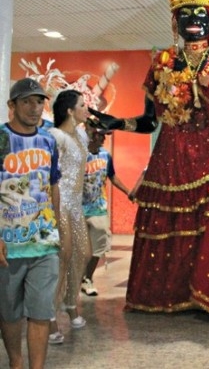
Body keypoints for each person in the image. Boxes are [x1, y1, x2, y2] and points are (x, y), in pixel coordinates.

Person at [88, 0, 209, 314]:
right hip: (174, 162)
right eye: (184, 14)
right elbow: (150, 122)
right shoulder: (163, 63)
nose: (192, 19)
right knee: (171, 229)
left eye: (200, 13)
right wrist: (117, 123)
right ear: (175, 23)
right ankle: (174, 297)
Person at [0, 78, 61, 369]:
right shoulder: (1, 139)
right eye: (27, 102)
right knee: (9, 312)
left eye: (39, 102)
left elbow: (54, 185)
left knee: (41, 312)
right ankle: (15, 362)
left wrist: (58, 228)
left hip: (44, 241)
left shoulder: (49, 139)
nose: (35, 108)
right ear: (12, 105)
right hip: (7, 244)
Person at [48, 90, 91, 344]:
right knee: (62, 257)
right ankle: (49, 316)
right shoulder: (56, 136)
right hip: (60, 203)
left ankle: (70, 303)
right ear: (69, 110)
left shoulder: (82, 135)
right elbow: (52, 175)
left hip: (76, 204)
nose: (87, 108)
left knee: (83, 254)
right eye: (83, 105)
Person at [81, 127, 131, 296]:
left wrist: (128, 192)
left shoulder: (105, 155)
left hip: (98, 209)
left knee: (98, 247)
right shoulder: (78, 155)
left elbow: (112, 176)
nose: (103, 138)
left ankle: (87, 279)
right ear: (90, 134)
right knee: (78, 249)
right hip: (77, 210)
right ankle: (75, 279)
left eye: (104, 135)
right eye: (100, 135)